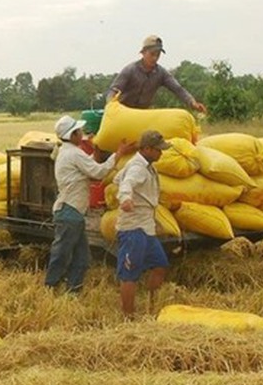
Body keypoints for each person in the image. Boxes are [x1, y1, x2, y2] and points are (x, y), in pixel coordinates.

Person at [44, 115, 133, 294]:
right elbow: (98, 173)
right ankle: (50, 287)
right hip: (70, 211)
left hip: (73, 212)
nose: (82, 134)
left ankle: (72, 292)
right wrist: (119, 154)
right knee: (62, 253)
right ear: (72, 135)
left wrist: (96, 155)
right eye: (79, 131)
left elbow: (85, 166)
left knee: (82, 258)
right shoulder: (73, 153)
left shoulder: (67, 151)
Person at [114, 130, 171, 318]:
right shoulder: (138, 168)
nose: (161, 153)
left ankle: (152, 304)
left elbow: (117, 178)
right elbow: (126, 184)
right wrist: (126, 199)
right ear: (147, 148)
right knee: (130, 273)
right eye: (158, 150)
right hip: (133, 228)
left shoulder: (145, 165)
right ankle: (128, 315)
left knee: (160, 265)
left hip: (146, 226)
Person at [106, 35, 207, 113]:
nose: (155, 58)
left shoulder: (161, 73)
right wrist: (111, 105)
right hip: (123, 113)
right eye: (152, 54)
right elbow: (114, 90)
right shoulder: (130, 70)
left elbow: (178, 89)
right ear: (143, 52)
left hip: (142, 114)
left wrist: (192, 103)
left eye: (158, 55)